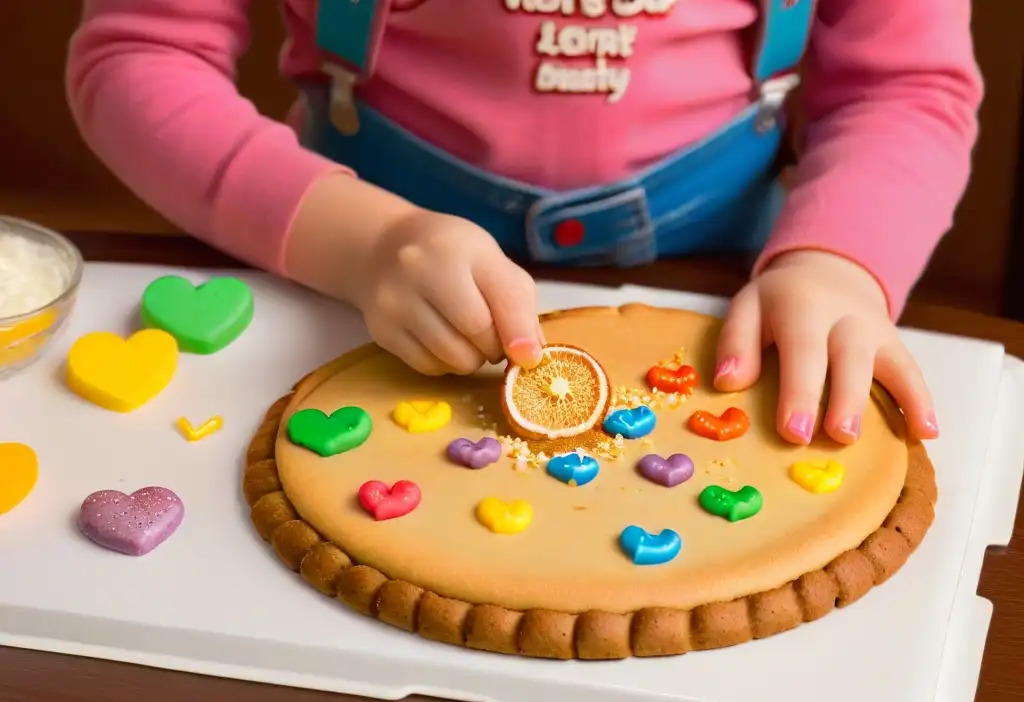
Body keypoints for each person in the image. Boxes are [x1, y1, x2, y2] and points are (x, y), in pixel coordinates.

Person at [66, 0, 981, 445]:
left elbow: (903, 88)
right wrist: (359, 240)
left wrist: (840, 262)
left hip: (730, 282)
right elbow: (143, 52)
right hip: (340, 275)